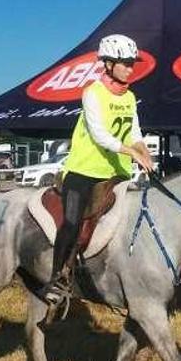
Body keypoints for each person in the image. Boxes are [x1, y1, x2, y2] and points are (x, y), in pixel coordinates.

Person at [40, 34, 155, 304]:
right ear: (108, 64)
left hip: (117, 174)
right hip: (84, 172)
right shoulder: (92, 92)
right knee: (71, 222)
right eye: (125, 63)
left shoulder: (129, 97)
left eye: (132, 63)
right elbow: (101, 135)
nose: (131, 68)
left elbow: (134, 132)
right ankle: (56, 278)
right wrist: (132, 152)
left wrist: (144, 151)